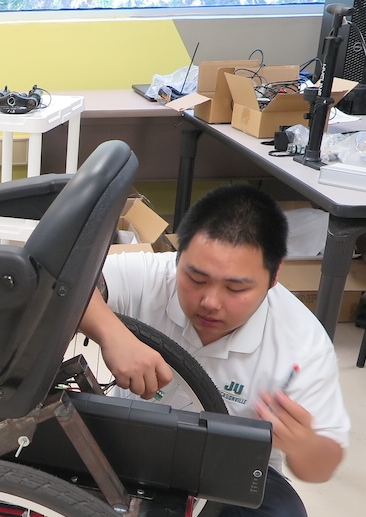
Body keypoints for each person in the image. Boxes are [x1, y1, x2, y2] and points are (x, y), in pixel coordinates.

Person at [79, 184, 349, 516]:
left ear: (275, 274)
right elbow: (67, 286)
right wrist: (111, 333)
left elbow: (322, 467)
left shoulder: (303, 343)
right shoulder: (150, 276)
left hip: (230, 472)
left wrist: (302, 445)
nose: (210, 302)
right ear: (179, 255)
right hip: (130, 449)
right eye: (196, 278)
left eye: (236, 287)